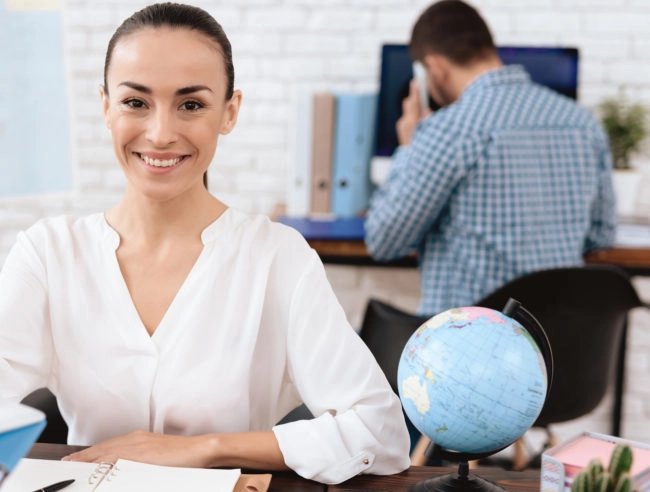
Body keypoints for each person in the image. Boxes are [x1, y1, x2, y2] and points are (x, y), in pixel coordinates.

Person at [0, 2, 410, 484]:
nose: (160, 133)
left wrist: (202, 450)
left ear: (229, 112)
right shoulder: (48, 253)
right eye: (136, 102)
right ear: (106, 106)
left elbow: (379, 434)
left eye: (191, 104)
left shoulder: (278, 258)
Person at [365, 0, 617, 316]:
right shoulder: (583, 123)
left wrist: (407, 148)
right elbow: (601, 233)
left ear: (436, 69)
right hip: (552, 351)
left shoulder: (449, 129)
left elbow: (384, 240)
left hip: (467, 351)